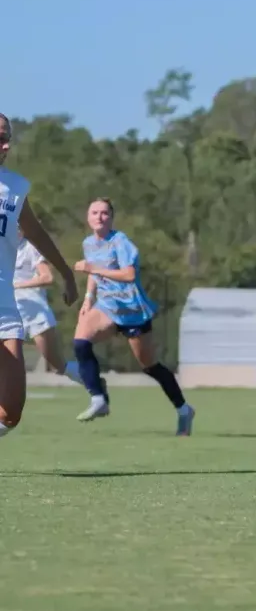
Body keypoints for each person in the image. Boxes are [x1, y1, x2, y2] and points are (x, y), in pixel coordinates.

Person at [72, 197, 196, 435]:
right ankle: (99, 398)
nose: (99, 216)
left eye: (104, 213)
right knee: (80, 342)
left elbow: (128, 275)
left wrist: (93, 269)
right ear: (88, 218)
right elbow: (93, 274)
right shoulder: (88, 243)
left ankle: (183, 409)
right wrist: (88, 298)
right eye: (94, 212)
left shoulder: (121, 242)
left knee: (149, 366)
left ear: (111, 218)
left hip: (133, 312)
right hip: (107, 306)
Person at [0, 113, 79, 441]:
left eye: (7, 137)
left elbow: (36, 233)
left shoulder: (15, 187)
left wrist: (66, 273)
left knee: (10, 411)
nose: (5, 145)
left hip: (4, 302)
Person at [14, 228, 82, 385]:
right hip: (11, 311)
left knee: (57, 364)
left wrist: (17, 285)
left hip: (35, 312)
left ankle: (92, 380)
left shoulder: (31, 248)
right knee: (8, 362)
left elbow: (48, 277)